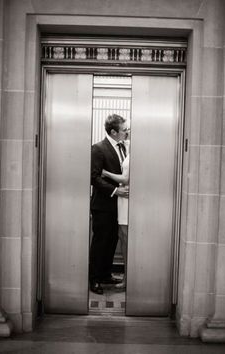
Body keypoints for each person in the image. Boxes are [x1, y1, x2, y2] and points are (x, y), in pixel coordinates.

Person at [89, 114, 129, 295]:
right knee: (100, 243)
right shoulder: (98, 149)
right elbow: (94, 177)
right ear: (113, 132)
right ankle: (94, 279)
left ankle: (105, 274)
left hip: (118, 207)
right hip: (103, 206)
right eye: (123, 130)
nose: (126, 132)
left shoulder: (124, 148)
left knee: (112, 241)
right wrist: (115, 191)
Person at [102, 150, 130, 290]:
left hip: (127, 198)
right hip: (123, 200)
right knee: (122, 237)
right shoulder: (127, 148)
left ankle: (128, 279)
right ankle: (128, 277)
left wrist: (105, 173)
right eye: (125, 130)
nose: (126, 133)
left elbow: (125, 179)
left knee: (126, 240)